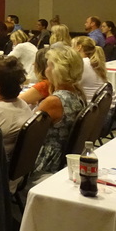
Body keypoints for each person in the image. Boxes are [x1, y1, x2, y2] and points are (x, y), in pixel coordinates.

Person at [33, 44, 86, 174]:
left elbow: (29, 135)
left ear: (57, 70)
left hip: (46, 161)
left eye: (48, 66)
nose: (46, 70)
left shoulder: (54, 102)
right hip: (63, 158)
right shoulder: (78, 93)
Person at [72, 36, 108, 101]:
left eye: (72, 46)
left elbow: (71, 85)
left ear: (79, 47)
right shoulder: (93, 62)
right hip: (106, 103)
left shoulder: (82, 63)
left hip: (93, 104)